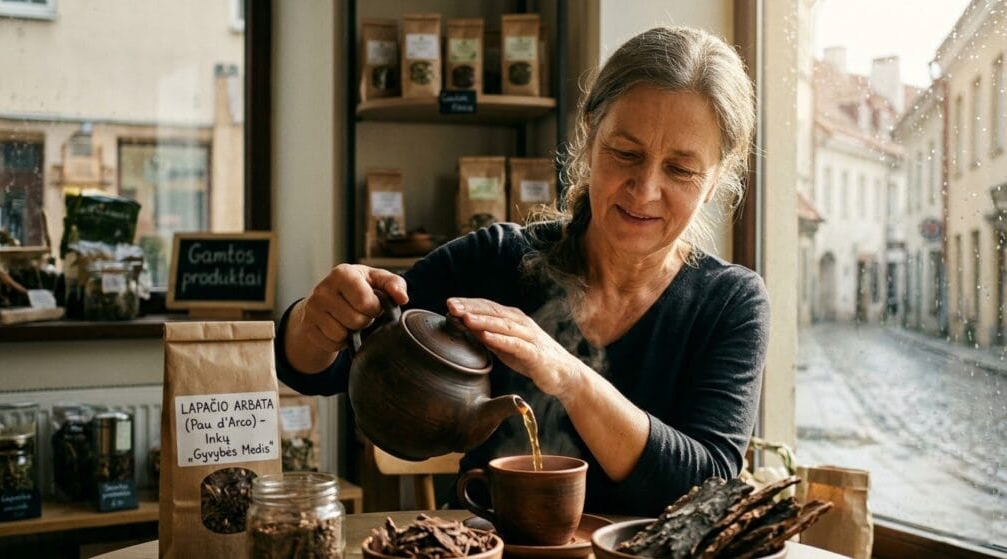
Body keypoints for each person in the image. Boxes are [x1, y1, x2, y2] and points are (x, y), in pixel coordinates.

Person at [277, 25, 768, 517]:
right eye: (625, 153)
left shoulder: (730, 303)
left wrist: (570, 377)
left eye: (680, 170)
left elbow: (706, 486)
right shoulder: (496, 260)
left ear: (716, 180)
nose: (644, 189)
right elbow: (320, 368)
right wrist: (318, 319)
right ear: (590, 134)